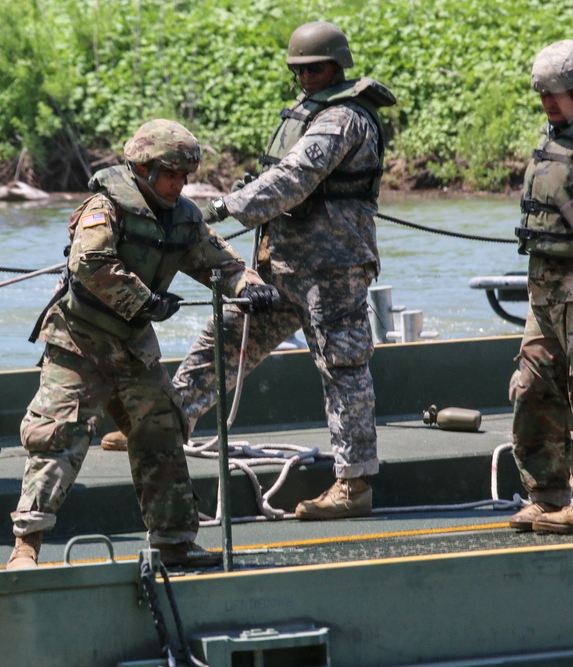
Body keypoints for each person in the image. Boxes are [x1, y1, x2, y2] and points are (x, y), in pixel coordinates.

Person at [102, 21, 396, 521]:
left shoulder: (344, 118)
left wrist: (224, 207)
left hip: (334, 269)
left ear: (338, 66)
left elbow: (294, 177)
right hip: (282, 264)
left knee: (343, 370)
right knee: (223, 339)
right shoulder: (312, 112)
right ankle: (169, 423)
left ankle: (355, 482)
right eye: (299, 70)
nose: (307, 77)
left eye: (316, 68)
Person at [6, 119, 278, 570]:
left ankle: (173, 542)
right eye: (171, 175)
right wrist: (145, 300)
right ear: (143, 169)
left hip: (133, 348)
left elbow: (218, 262)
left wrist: (248, 285)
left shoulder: (183, 216)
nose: (179, 184)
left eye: (184, 176)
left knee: (162, 429)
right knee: (59, 434)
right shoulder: (105, 207)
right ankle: (26, 546)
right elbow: (90, 263)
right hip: (80, 342)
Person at [508, 40, 573, 534]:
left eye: (559, 92)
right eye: (543, 93)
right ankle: (547, 493)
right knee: (532, 389)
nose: (550, 102)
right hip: (546, 288)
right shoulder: (552, 138)